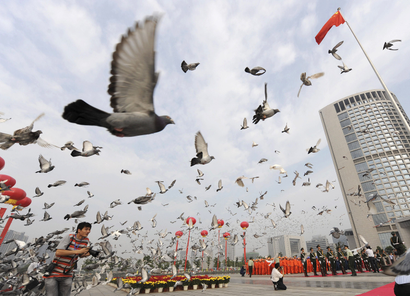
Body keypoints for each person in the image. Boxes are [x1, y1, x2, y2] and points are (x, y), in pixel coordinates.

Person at [44, 222, 92, 296]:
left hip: (67, 273)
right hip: (54, 273)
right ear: (79, 230)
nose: (88, 231)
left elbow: (79, 255)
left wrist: (86, 254)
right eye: (86, 229)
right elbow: (58, 252)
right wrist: (79, 251)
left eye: (89, 229)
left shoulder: (85, 241)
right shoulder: (69, 237)